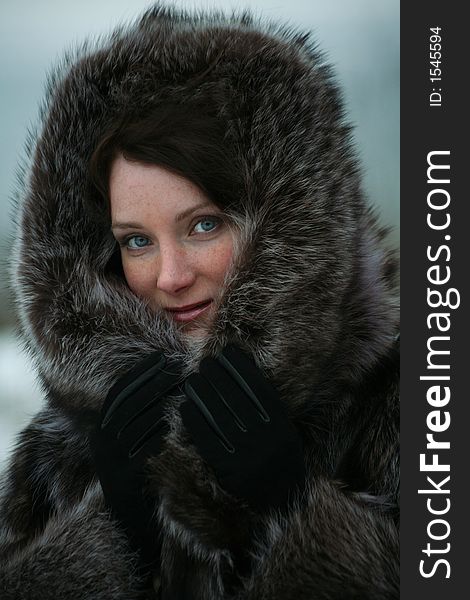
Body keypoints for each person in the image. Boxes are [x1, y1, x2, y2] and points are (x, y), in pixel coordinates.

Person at [0, 4, 399, 599]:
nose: (169, 276)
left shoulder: (404, 401)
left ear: (284, 222)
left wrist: (295, 510)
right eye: (136, 240)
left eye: (204, 226)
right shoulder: (68, 443)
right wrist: (110, 535)